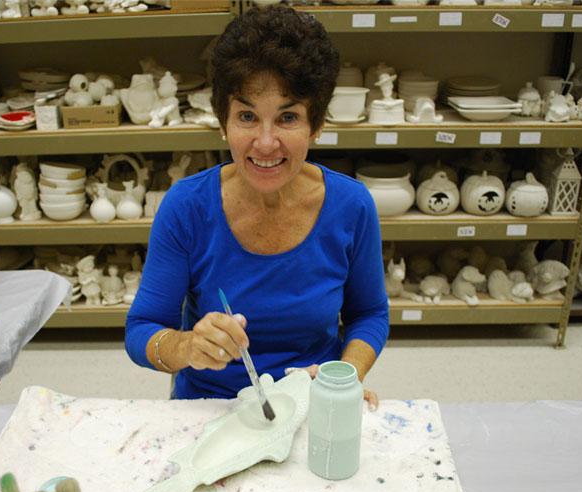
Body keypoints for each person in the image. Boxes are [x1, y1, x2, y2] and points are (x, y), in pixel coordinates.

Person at [125, 6, 389, 406]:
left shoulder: (352, 206)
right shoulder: (187, 206)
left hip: (310, 399)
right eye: (247, 116)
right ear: (222, 122)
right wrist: (187, 347)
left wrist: (344, 375)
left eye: (288, 118)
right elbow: (142, 329)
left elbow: (369, 315)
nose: (265, 143)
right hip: (212, 406)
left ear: (316, 125)